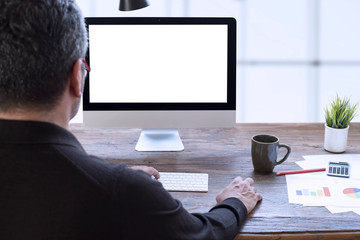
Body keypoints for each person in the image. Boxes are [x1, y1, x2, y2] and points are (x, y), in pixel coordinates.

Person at [0, 0, 262, 239]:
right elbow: (204, 235)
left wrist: (113, 178)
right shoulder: (122, 190)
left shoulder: (118, 186)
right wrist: (235, 201)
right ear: (77, 78)